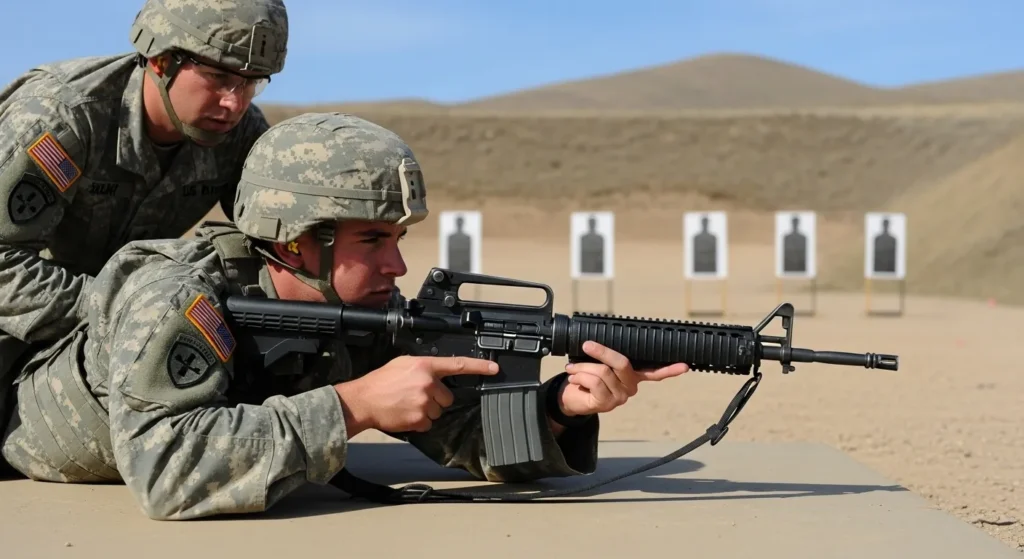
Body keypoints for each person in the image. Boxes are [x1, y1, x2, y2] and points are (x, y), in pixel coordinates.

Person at [0, 112, 690, 520]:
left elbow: (462, 435)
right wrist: (353, 405)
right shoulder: (179, 295)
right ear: (297, 238)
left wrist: (557, 408)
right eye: (371, 240)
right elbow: (168, 471)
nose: (396, 267)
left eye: (399, 240)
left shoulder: (359, 309)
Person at [0, 0, 289, 409]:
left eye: (251, 82)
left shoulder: (239, 134)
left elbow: (279, 244)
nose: (234, 103)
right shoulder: (63, 117)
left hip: (106, 336)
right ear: (160, 61)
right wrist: (129, 308)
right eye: (218, 77)